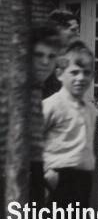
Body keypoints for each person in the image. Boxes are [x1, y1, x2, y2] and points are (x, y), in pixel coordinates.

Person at [42, 41, 98, 219]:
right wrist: (45, 175)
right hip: (56, 182)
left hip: (83, 181)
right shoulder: (50, 106)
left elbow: (89, 153)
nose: (81, 78)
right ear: (59, 74)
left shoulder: (91, 111)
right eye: (74, 72)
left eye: (87, 72)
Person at [30, 25, 61, 208]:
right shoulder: (18, 92)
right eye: (39, 55)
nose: (45, 62)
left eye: (51, 57)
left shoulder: (39, 88)